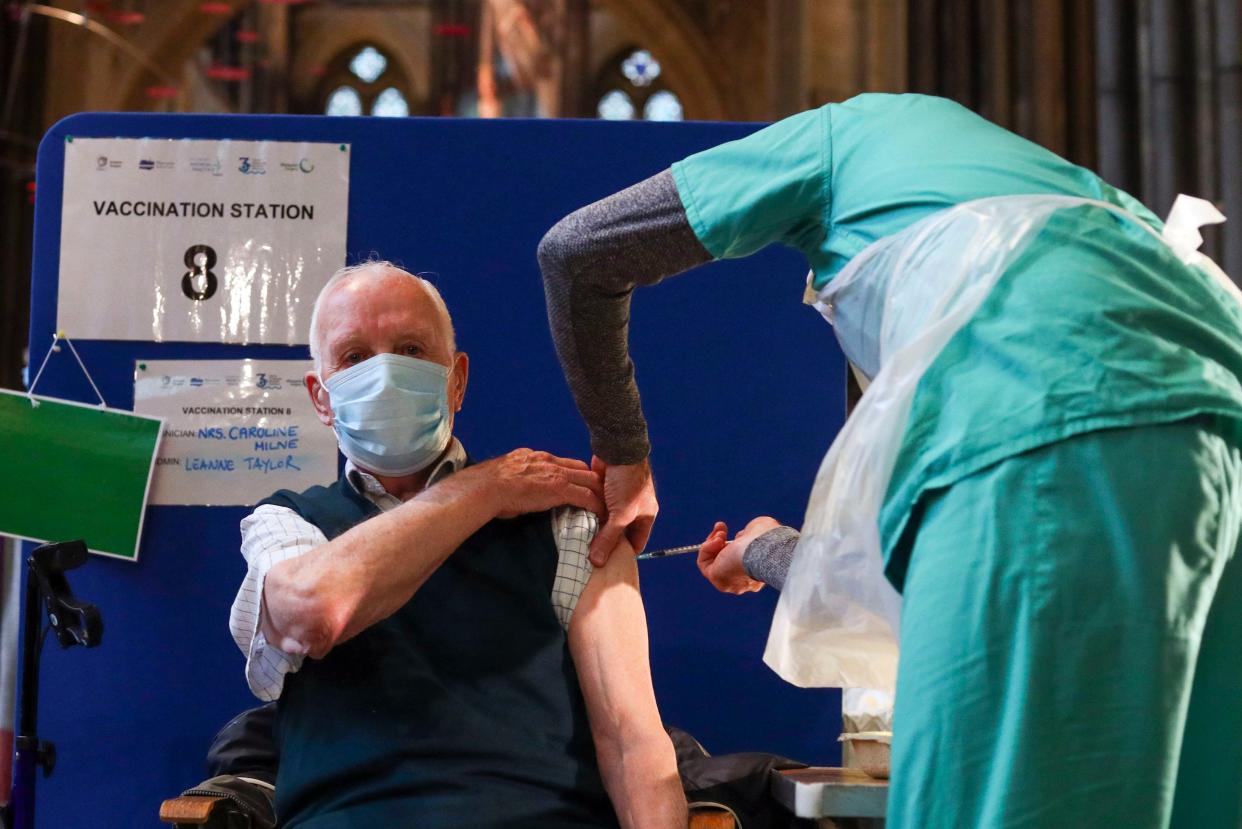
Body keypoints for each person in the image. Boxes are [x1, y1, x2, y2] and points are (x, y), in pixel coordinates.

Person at [537, 92, 1242, 827]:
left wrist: (624, 455)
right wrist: (764, 548)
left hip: (1045, 443)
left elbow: (577, 252)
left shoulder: (846, 142)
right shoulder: (1075, 218)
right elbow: (922, 576)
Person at [227, 262, 685, 829]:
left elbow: (631, 740)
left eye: (412, 348)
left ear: (457, 380)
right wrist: (484, 490)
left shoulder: (565, 522)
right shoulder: (289, 525)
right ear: (321, 397)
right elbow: (314, 613)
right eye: (354, 357)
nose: (386, 373)